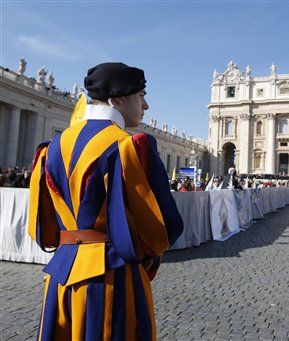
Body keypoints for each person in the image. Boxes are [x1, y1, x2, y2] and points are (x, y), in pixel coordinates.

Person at [28, 62, 183, 340]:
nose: (145, 105)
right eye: (141, 95)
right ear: (119, 99)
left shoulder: (50, 149)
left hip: (61, 276)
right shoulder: (130, 146)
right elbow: (164, 226)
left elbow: (42, 226)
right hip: (113, 278)